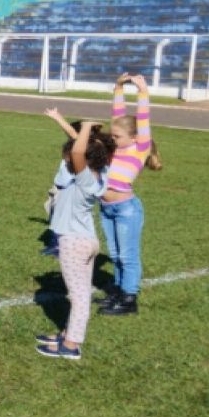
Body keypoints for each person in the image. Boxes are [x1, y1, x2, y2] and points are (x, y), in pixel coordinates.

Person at [35, 115, 112, 360]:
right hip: (86, 240)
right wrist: (89, 134)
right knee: (80, 293)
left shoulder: (84, 177)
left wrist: (87, 126)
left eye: (69, 157)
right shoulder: (101, 172)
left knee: (79, 297)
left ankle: (71, 345)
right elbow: (85, 150)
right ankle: (67, 334)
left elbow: (79, 152)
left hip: (74, 242)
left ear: (82, 160)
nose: (67, 158)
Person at [97, 73, 160, 316]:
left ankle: (129, 298)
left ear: (134, 137)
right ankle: (118, 291)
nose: (112, 139)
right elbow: (118, 116)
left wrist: (142, 92)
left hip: (126, 209)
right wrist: (118, 88)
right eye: (112, 136)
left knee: (127, 255)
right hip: (106, 208)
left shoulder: (139, 148)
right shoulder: (116, 148)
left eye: (117, 137)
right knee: (115, 254)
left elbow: (143, 118)